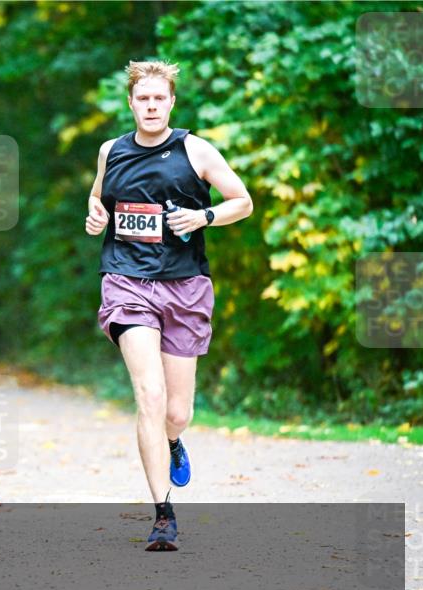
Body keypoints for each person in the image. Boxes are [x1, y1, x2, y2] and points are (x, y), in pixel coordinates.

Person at [84, 61, 253, 551]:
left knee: (176, 413)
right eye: (143, 99)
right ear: (131, 102)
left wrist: (203, 216)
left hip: (185, 286)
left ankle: (174, 441)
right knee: (150, 397)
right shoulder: (110, 151)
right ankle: (162, 514)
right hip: (127, 282)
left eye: (160, 98)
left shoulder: (194, 149)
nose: (152, 106)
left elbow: (241, 201)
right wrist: (96, 217)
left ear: (171, 102)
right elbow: (99, 203)